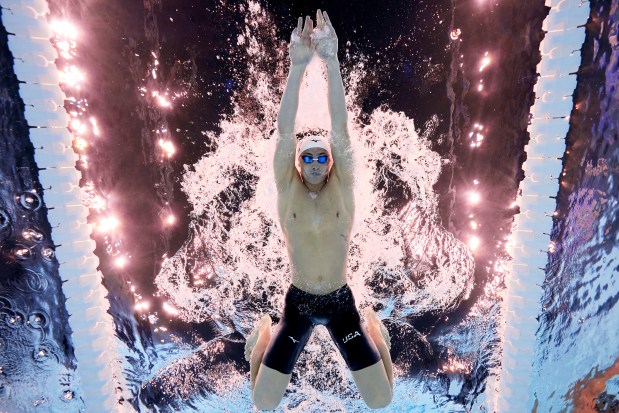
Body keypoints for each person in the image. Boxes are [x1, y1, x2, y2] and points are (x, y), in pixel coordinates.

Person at [244, 10, 393, 410]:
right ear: (297, 161)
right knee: (263, 402)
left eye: (320, 158)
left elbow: (340, 130)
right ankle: (263, 336)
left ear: (330, 162)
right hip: (299, 305)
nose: (313, 163)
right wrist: (296, 67)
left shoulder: (343, 189)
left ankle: (379, 335)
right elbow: (284, 129)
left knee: (381, 400)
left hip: (341, 304)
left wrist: (331, 62)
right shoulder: (286, 188)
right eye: (306, 157)